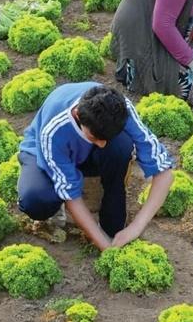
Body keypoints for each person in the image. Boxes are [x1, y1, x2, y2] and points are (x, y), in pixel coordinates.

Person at [16, 82, 175, 250]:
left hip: (83, 150)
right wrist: (105, 247)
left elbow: (164, 174)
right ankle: (55, 203)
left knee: (121, 147)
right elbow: (72, 197)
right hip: (42, 152)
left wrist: (135, 228)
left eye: (105, 139)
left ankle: (108, 215)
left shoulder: (120, 109)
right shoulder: (54, 130)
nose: (101, 144)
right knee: (36, 200)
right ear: (77, 115)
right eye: (94, 137)